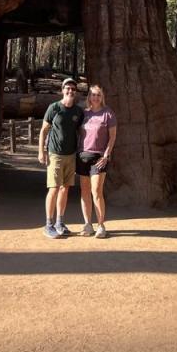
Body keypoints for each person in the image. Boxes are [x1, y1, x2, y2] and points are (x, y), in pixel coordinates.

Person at [39, 78, 84, 239]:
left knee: (65, 188)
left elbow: (81, 131)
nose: (70, 91)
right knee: (54, 188)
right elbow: (44, 130)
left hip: (70, 155)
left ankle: (60, 222)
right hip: (55, 154)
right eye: (67, 88)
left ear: (76, 92)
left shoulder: (78, 112)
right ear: (62, 90)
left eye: (73, 88)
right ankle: (48, 224)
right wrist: (41, 152)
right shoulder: (54, 108)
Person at [76, 84, 116, 239]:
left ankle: (101, 225)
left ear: (102, 97)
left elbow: (112, 137)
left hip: (99, 158)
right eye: (93, 95)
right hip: (82, 156)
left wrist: (106, 155)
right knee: (84, 191)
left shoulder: (108, 114)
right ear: (89, 97)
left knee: (96, 192)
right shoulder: (84, 114)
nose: (95, 97)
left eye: (98, 95)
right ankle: (88, 224)